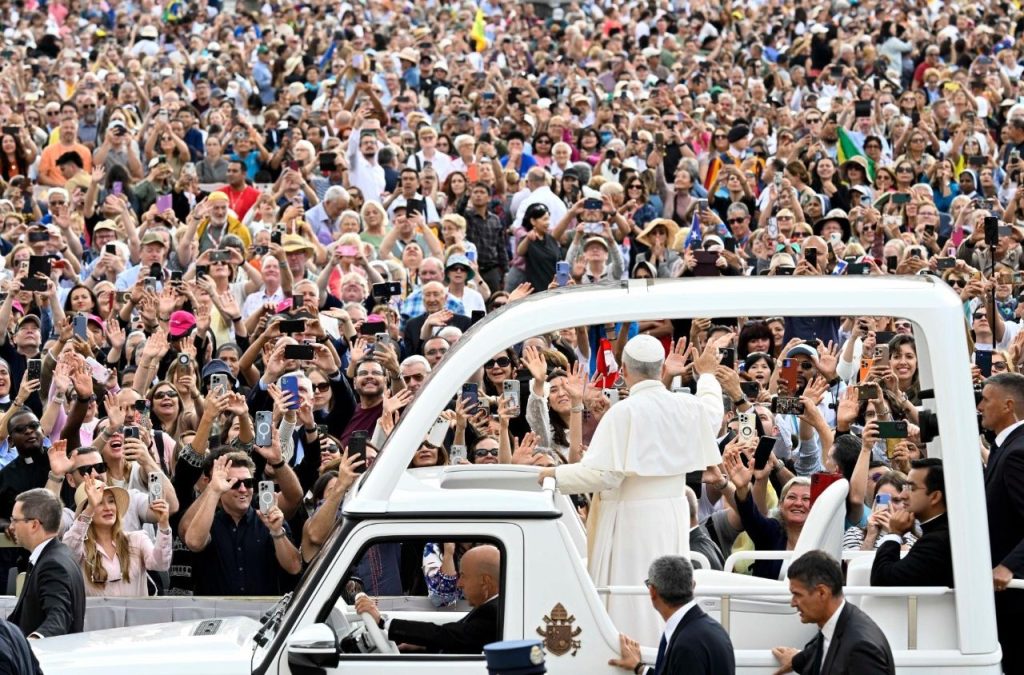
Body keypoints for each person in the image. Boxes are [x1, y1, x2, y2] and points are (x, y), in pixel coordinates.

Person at [539, 335, 724, 644]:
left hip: (631, 520)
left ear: (623, 369)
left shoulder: (622, 413)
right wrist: (706, 375)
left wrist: (553, 474)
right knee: (665, 590)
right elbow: (713, 410)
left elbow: (603, 475)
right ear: (661, 367)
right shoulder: (686, 406)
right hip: (672, 513)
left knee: (632, 596)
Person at [354, 544, 501, 653]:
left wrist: (382, 621)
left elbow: (448, 634)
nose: (459, 583)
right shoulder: (492, 607)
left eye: (463, 576)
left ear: (485, 581)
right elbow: (455, 633)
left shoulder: (492, 613)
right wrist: (422, 645)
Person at [772, 550, 895, 675]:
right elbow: (817, 653)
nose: (793, 603)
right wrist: (795, 660)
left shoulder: (861, 649)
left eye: (797, 595)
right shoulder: (834, 625)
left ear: (822, 592)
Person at [610, 555, 735, 674]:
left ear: (652, 592)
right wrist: (640, 668)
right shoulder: (715, 629)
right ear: (693, 585)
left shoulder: (686, 645)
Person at [977, 372, 1024, 673]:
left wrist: (1009, 565)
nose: (979, 406)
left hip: (1015, 599)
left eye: (985, 399)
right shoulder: (1004, 448)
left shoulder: (1017, 453)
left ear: (1008, 405)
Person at [7, 488, 86, 638]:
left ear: (34, 525)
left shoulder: (53, 565)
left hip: (46, 659)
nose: (11, 527)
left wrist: (29, 645)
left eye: (15, 520)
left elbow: (58, 620)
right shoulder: (59, 555)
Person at [870, 458, 953, 588]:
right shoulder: (940, 532)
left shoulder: (936, 542)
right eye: (905, 488)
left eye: (911, 488)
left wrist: (894, 534)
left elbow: (882, 580)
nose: (903, 495)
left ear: (935, 497)